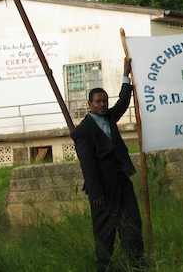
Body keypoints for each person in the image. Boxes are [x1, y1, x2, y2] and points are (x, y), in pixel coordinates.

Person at [71, 57, 144, 271]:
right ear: (89, 104)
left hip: (122, 184)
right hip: (103, 191)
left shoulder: (110, 117)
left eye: (104, 101)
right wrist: (96, 194)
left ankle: (137, 263)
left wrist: (126, 73)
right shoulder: (83, 132)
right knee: (105, 232)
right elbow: (88, 165)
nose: (102, 104)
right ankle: (105, 267)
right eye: (97, 102)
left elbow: (122, 101)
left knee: (131, 225)